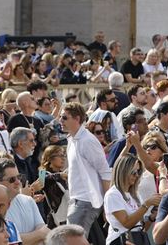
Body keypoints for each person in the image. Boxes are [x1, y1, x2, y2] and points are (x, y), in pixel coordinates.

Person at [60, 102, 111, 240]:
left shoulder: (87, 140)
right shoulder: (72, 138)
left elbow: (105, 172)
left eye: (64, 117)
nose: (60, 120)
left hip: (86, 201)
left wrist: (108, 206)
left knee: (72, 241)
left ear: (77, 119)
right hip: (78, 199)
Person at [103, 153, 162, 245]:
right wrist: (146, 204)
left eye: (139, 172)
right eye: (133, 172)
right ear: (123, 171)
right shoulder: (113, 194)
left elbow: (140, 228)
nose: (137, 175)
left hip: (136, 239)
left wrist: (151, 218)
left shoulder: (134, 194)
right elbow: (126, 223)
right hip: (119, 241)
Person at [0, 158, 49, 245]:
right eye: (12, 179)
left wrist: (32, 236)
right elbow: (10, 241)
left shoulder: (29, 200)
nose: (18, 182)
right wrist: (39, 235)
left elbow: (44, 231)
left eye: (19, 177)